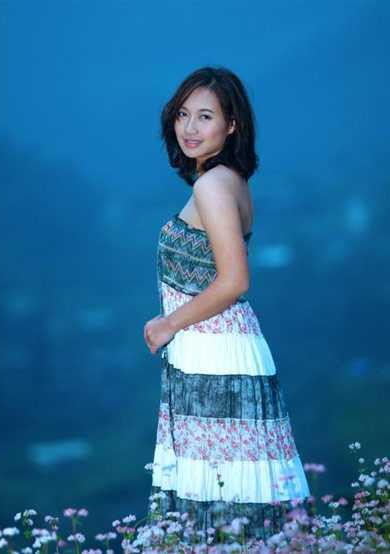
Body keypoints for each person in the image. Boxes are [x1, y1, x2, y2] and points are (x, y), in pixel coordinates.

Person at [143, 66, 311, 544]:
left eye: (205, 116)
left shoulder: (212, 185)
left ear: (232, 124)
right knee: (236, 505)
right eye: (183, 114)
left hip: (214, 353)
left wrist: (167, 324)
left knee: (217, 510)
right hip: (220, 348)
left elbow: (235, 280)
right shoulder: (230, 179)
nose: (190, 128)